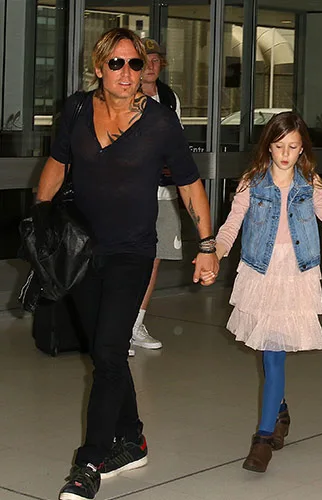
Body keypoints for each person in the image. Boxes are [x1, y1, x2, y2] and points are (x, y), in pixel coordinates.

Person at [35, 28, 219, 500]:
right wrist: (40, 218)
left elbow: (189, 184)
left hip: (131, 252)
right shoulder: (77, 110)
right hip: (80, 250)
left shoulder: (160, 123)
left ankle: (89, 462)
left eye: (135, 63)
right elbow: (57, 163)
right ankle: (132, 439)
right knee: (105, 354)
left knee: (110, 352)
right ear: (99, 67)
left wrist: (207, 245)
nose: (127, 72)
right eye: (116, 63)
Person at [215, 112, 322, 473]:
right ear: (268, 147)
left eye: (293, 147)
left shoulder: (310, 184)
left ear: (302, 149)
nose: (285, 154)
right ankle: (280, 410)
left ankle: (263, 440)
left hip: (296, 274)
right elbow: (231, 227)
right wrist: (214, 253)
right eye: (279, 146)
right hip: (260, 271)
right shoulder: (252, 183)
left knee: (274, 355)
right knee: (267, 349)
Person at [128, 37, 184, 354]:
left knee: (155, 257)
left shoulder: (169, 97)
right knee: (127, 257)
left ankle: (136, 323)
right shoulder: (124, 95)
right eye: (144, 59)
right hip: (131, 194)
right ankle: (117, 326)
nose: (150, 65)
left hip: (164, 192)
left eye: (155, 59)